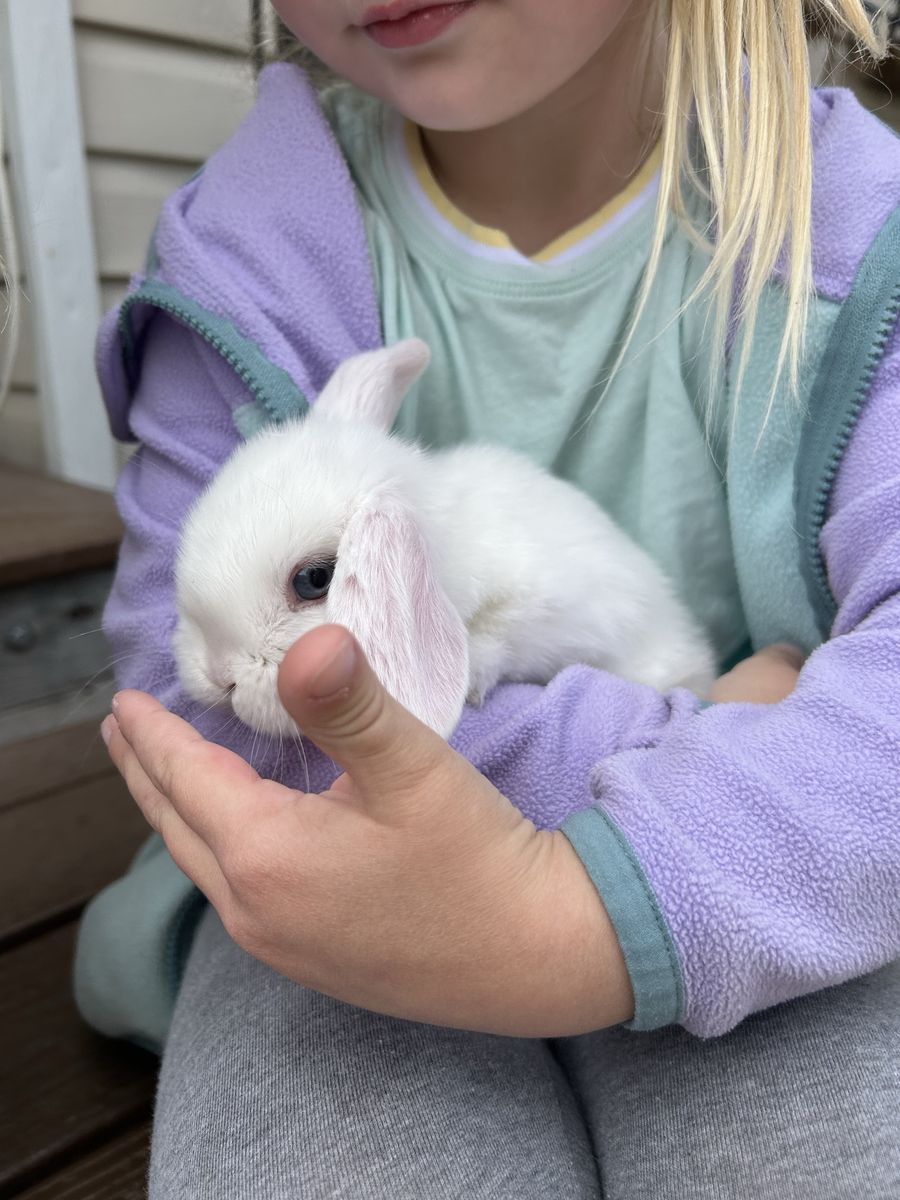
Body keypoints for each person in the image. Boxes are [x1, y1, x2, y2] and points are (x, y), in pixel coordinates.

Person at [74, 1, 900, 1196]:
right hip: (339, 885)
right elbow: (181, 684)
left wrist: (579, 910)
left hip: (761, 869)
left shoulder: (858, 234)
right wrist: (714, 732)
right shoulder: (242, 246)